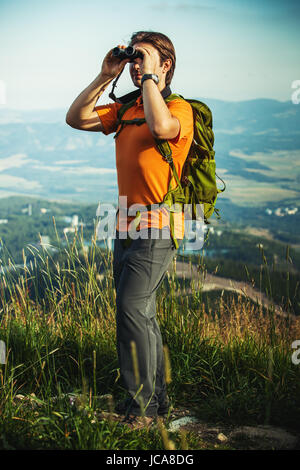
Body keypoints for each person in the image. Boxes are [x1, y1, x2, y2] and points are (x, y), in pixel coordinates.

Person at [66, 31, 193, 428]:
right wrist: (106, 75)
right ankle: (157, 402)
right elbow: (76, 118)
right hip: (125, 223)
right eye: (133, 59)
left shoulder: (179, 108)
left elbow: (161, 128)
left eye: (143, 57)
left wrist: (151, 78)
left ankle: (141, 411)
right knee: (142, 314)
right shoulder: (127, 109)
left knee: (131, 310)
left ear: (166, 64)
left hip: (159, 225)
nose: (136, 64)